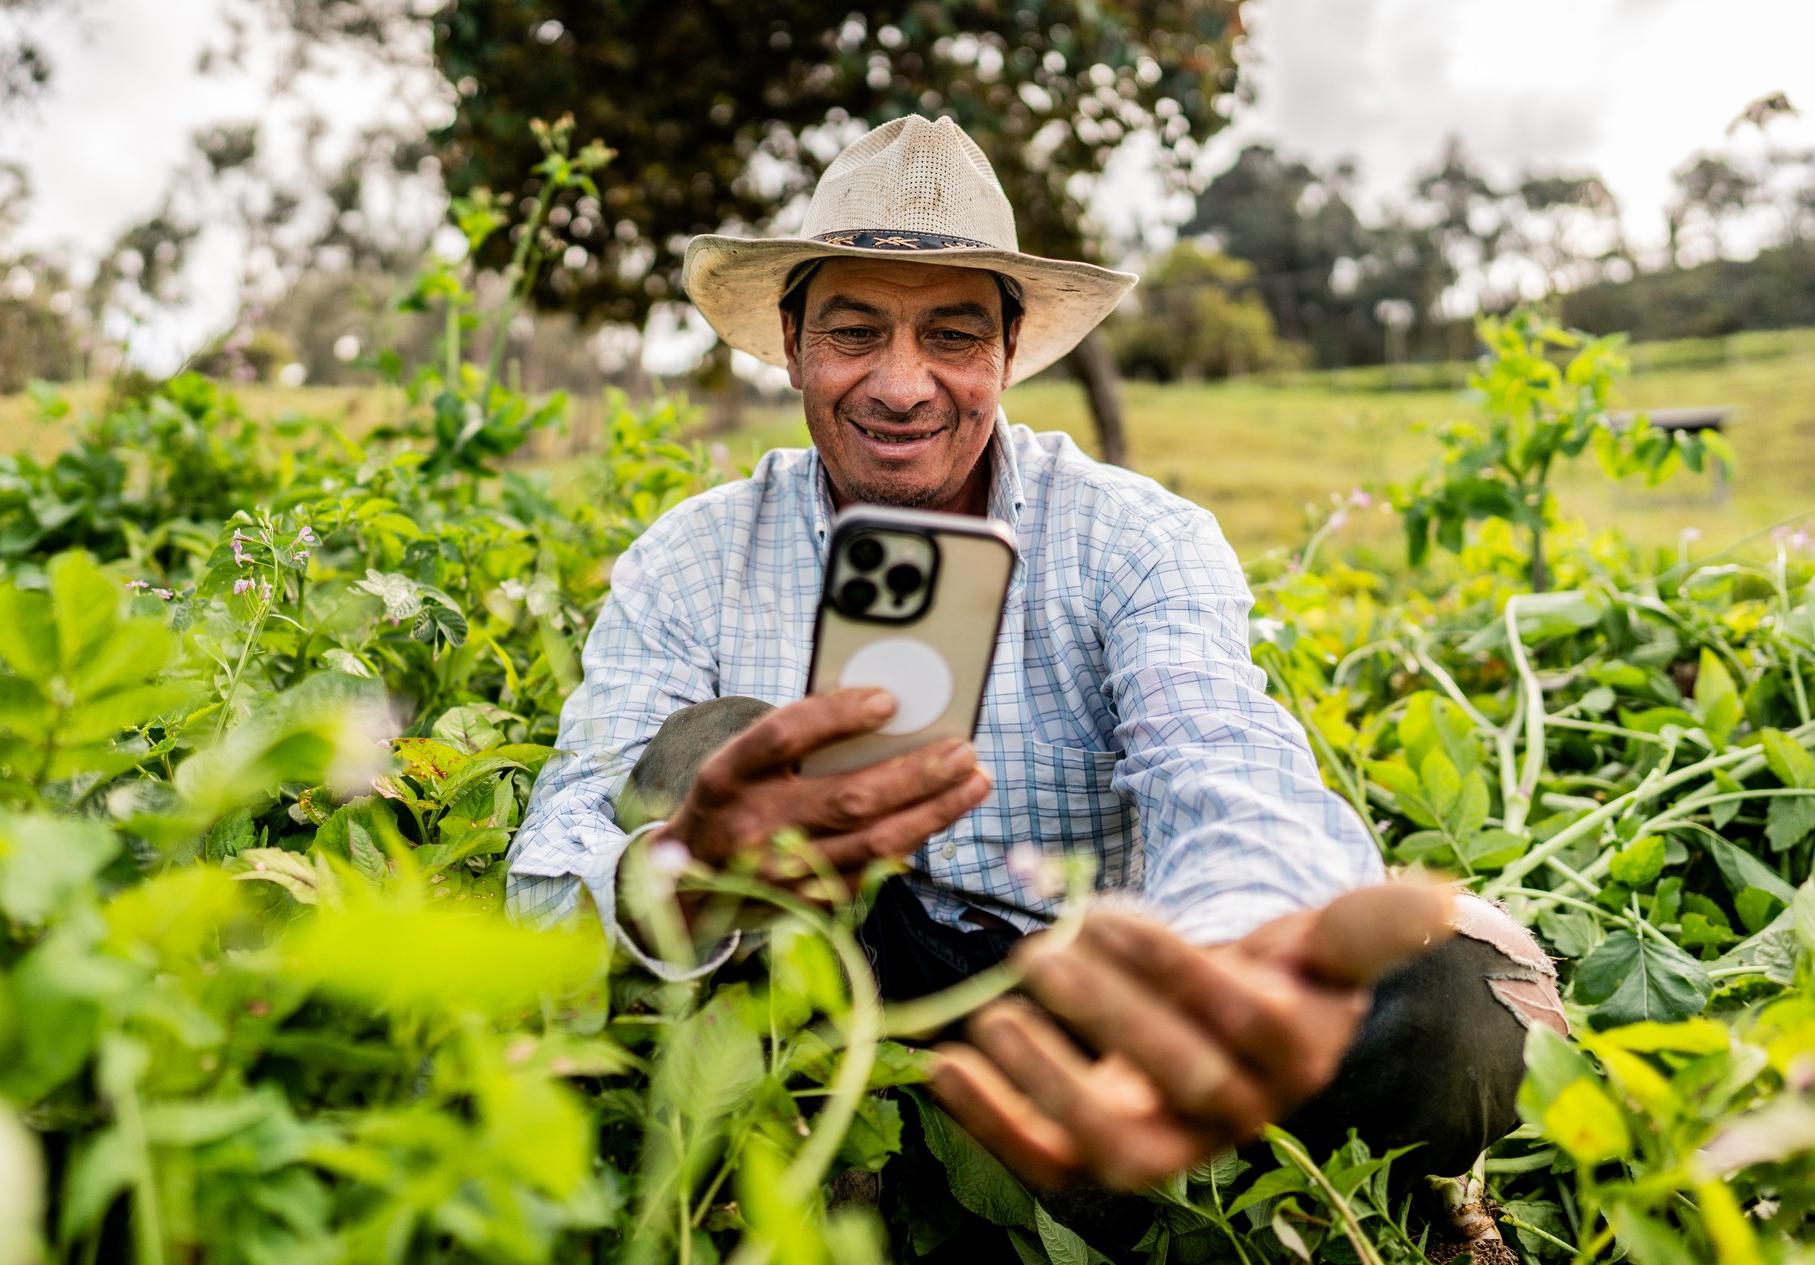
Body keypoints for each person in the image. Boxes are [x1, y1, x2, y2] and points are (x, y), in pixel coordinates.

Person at [506, 115, 1564, 1224]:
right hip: (813, 1032)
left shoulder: (1131, 538)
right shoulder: (691, 559)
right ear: (789, 341)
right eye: (854, 331)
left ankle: (1315, 1189)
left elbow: (1227, 765)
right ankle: (825, 1186)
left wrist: (1232, 958)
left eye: (952, 337)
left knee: (1462, 997)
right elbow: (546, 872)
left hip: (1091, 1010)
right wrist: (680, 870)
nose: (902, 385)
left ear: (1008, 352)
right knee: (706, 754)